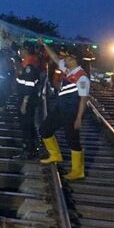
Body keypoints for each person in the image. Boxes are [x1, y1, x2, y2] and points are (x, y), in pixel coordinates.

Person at [37, 38, 90, 181]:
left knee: (72, 140)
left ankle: (78, 171)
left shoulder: (82, 77)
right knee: (45, 130)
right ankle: (55, 155)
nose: (64, 59)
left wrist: (79, 118)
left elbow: (84, 99)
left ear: (74, 60)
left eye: (67, 57)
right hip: (61, 109)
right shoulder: (67, 70)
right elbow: (54, 57)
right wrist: (44, 45)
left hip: (72, 112)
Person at [16, 45, 40, 159]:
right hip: (29, 99)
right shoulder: (28, 64)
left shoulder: (29, 67)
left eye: (21, 50)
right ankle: (32, 148)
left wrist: (24, 103)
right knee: (28, 125)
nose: (19, 52)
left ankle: (28, 151)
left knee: (26, 125)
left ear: (26, 51)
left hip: (27, 100)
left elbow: (29, 86)